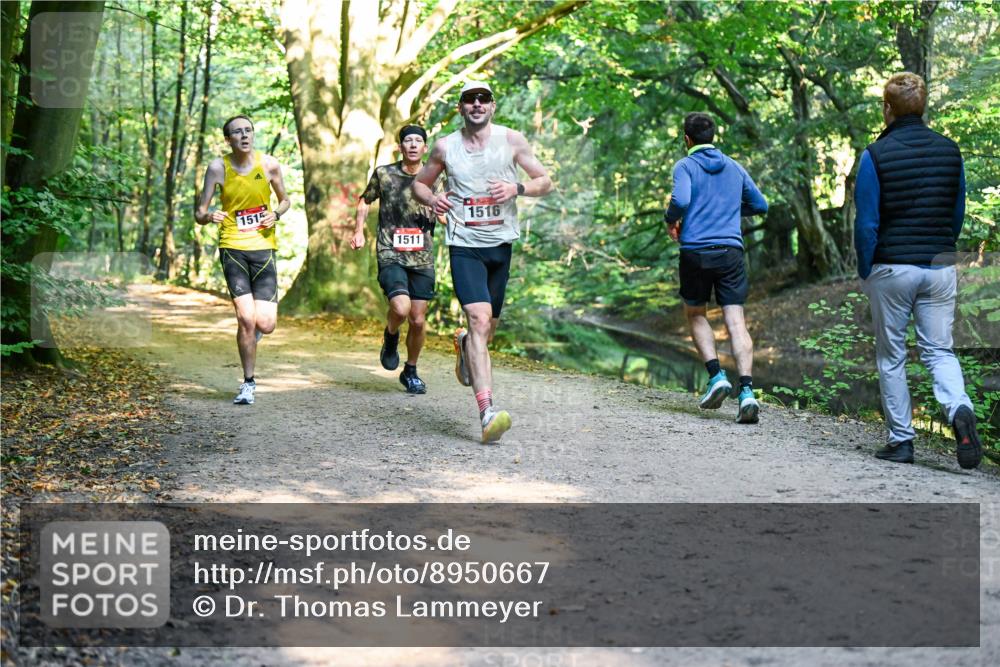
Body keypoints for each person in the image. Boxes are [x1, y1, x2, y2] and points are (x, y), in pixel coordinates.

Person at [412, 81, 552, 443]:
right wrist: (433, 199)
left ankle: (465, 347)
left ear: (492, 106)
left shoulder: (512, 140)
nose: (477, 104)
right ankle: (487, 412)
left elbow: (545, 181)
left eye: (483, 99)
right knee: (478, 319)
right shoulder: (445, 147)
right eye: (469, 99)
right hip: (464, 245)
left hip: (500, 246)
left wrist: (516, 189)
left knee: (486, 332)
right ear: (460, 107)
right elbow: (419, 185)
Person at [854, 72, 981, 468]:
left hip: (892, 267)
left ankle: (901, 441)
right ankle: (959, 409)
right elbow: (957, 213)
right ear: (922, 107)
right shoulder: (950, 151)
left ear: (887, 109)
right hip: (939, 266)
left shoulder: (874, 155)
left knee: (891, 355)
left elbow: (866, 223)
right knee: (939, 349)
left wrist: (865, 268)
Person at [664, 112, 768, 423]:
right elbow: (760, 205)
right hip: (730, 253)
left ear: (687, 139)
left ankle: (716, 376)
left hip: (696, 252)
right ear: (713, 136)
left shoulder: (685, 166)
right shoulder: (734, 167)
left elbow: (680, 201)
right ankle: (747, 392)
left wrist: (671, 220)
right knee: (736, 321)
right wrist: (728, 210)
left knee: (696, 313)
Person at [195, 114, 290, 405]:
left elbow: (285, 200)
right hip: (232, 246)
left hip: (263, 247)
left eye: (248, 130)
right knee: (246, 319)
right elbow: (199, 213)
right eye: (238, 132)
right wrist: (209, 216)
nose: (245, 135)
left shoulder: (269, 164)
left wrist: (275, 214)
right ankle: (248, 383)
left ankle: (251, 336)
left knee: (266, 324)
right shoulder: (217, 168)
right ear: (228, 139)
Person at [351, 124, 438, 394]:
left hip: (422, 257)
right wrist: (358, 231)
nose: (412, 145)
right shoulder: (384, 174)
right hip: (391, 252)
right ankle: (391, 335)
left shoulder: (435, 177)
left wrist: (447, 216)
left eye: (417, 141)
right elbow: (364, 201)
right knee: (401, 309)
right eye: (407, 141)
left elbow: (445, 207)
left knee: (418, 320)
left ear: (425, 147)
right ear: (400, 147)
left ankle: (410, 371)